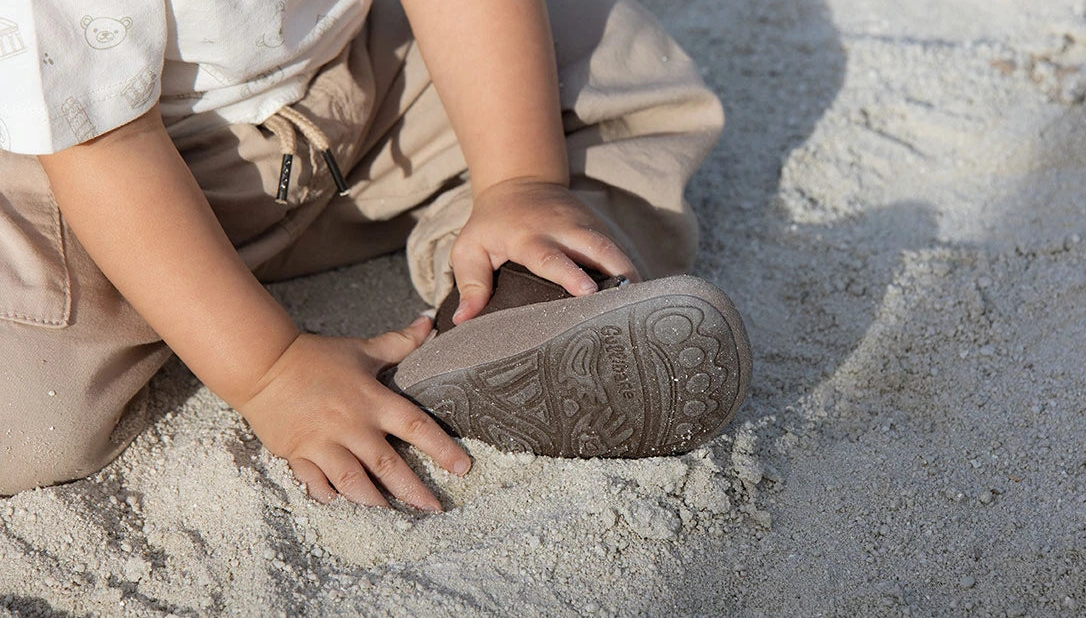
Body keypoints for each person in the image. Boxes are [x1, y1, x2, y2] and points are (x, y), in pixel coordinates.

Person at [0, 0, 749, 510]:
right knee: (27, 406)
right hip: (96, 173)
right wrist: (270, 369)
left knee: (623, 77)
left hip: (353, 84)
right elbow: (100, 141)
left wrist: (519, 178)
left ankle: (515, 300)